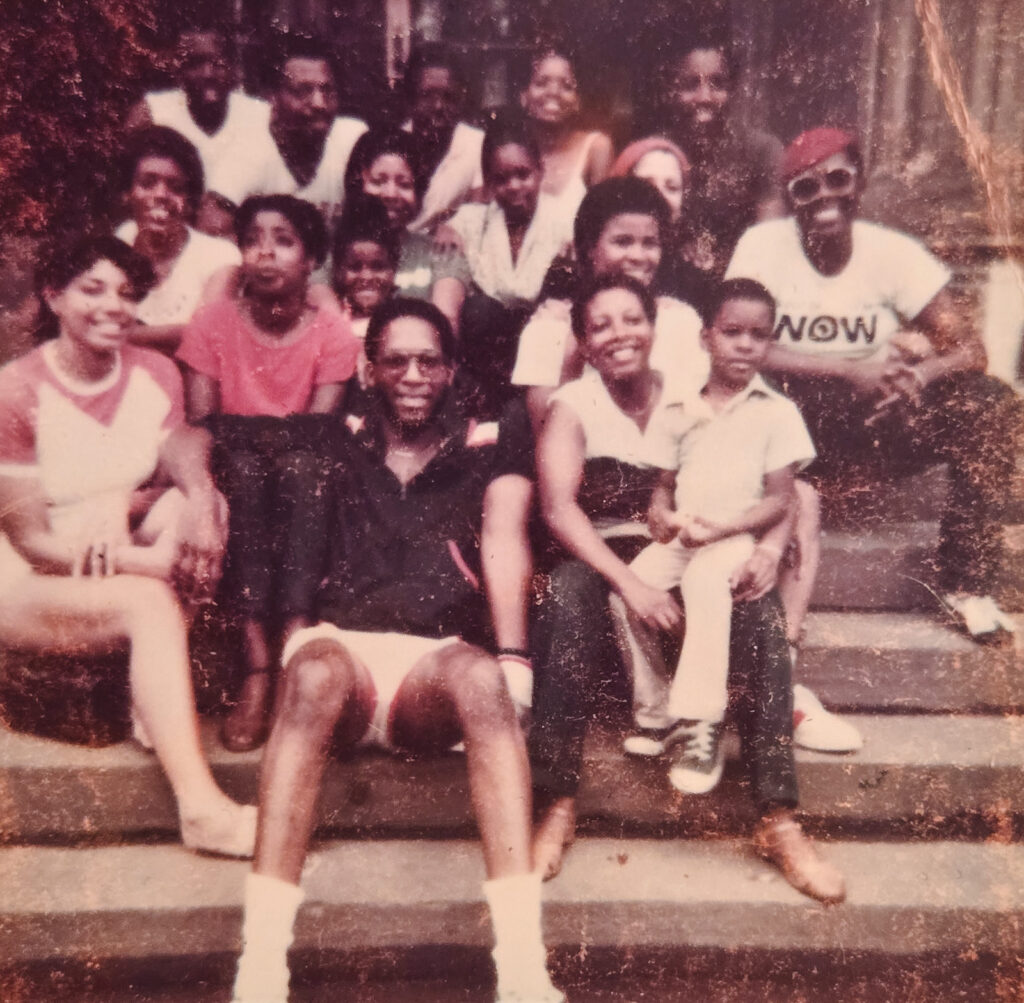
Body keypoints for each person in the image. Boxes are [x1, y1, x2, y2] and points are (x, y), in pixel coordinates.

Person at [231, 298, 563, 1003]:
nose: (413, 374)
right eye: (395, 359)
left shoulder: (490, 438)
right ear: (369, 367)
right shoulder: (331, 436)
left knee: (482, 683)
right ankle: (260, 969)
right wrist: (197, 489)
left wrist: (513, 659)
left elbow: (506, 534)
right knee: (314, 673)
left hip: (431, 662)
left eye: (429, 360)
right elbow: (212, 440)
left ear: (449, 370)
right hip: (341, 651)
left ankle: (524, 970)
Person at [529, 274, 845, 904]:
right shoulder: (574, 405)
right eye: (601, 326)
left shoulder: (699, 393)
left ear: (655, 327)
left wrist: (766, 549)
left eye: (632, 320)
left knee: (753, 607)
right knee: (564, 594)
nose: (620, 335)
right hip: (604, 560)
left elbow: (781, 488)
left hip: (693, 547)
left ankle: (778, 818)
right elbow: (560, 513)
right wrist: (630, 584)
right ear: (585, 344)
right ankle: (556, 805)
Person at [0, 233, 255, 857]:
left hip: (108, 542)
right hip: (27, 578)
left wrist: (196, 502)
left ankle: (152, 704)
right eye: (92, 289)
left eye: (125, 293)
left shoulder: (155, 371)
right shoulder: (14, 390)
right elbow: (31, 539)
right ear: (53, 296)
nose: (113, 306)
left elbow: (184, 447)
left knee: (201, 508)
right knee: (149, 602)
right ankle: (200, 809)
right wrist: (153, 562)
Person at [726, 127, 1021, 642]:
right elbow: (743, 345)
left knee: (990, 401)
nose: (825, 198)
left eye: (838, 179)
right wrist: (848, 370)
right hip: (791, 414)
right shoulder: (763, 246)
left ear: (859, 182)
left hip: (875, 414)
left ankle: (967, 586)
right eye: (806, 188)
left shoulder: (892, 253)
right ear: (790, 199)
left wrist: (916, 376)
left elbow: (971, 348)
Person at [610, 278, 814, 795]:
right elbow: (663, 485)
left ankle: (701, 724)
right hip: (687, 534)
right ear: (706, 337)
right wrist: (659, 513)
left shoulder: (777, 411)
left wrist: (725, 528)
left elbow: (779, 498)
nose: (745, 345)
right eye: (732, 332)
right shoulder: (679, 407)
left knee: (705, 580)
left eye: (759, 335)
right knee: (629, 587)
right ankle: (654, 711)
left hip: (733, 537)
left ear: (770, 342)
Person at [177, 195, 360, 751]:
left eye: (284, 240)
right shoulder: (211, 324)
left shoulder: (332, 332)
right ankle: (257, 668)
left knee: (301, 468)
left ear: (310, 260)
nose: (266, 252)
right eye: (254, 238)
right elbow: (204, 422)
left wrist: (254, 432)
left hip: (302, 469)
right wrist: (258, 437)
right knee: (249, 472)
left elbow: (318, 429)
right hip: (240, 469)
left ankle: (292, 655)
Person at [510, 176, 706, 428]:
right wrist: (575, 346)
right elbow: (545, 431)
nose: (638, 256)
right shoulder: (548, 329)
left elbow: (697, 421)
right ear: (590, 247)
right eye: (622, 242)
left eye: (650, 243)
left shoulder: (680, 321)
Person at [438, 112, 574, 410]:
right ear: (487, 182)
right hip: (487, 355)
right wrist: (445, 229)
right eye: (501, 179)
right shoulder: (473, 221)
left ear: (540, 170)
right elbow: (447, 241)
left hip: (539, 344)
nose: (514, 186)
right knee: (479, 310)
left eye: (523, 174)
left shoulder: (564, 224)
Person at [653, 31, 784, 281]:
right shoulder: (657, 151)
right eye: (691, 85)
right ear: (671, 89)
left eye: (717, 84)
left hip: (741, 281)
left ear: (732, 89)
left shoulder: (762, 150)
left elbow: (768, 240)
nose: (705, 97)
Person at [126, 22, 269, 235]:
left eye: (217, 63)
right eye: (194, 63)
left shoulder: (261, 116)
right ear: (178, 70)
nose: (208, 74)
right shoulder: (152, 114)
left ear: (233, 67)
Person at [216, 35, 367, 228]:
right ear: (272, 97)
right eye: (303, 91)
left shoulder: (352, 138)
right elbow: (212, 228)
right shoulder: (249, 149)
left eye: (328, 91)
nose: (319, 103)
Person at [115, 126, 240, 350]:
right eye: (147, 183)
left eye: (175, 187)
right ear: (127, 193)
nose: (161, 195)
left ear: (190, 200)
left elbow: (206, 333)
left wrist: (117, 336)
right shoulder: (122, 241)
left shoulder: (220, 256)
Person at [344, 128, 470, 333]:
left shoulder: (442, 250)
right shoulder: (335, 249)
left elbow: (445, 326)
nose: (391, 194)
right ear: (358, 183)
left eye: (404, 184)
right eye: (378, 182)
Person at [608, 135, 716, 314]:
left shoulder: (692, 276)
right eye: (647, 183)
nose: (659, 195)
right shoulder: (581, 257)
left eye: (672, 187)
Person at [520, 46, 614, 231]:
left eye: (567, 86)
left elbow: (604, 221)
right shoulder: (512, 148)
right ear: (523, 97)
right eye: (541, 83)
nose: (553, 92)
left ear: (577, 101)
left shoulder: (596, 147)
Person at [400, 45, 485, 233]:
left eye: (448, 96)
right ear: (410, 99)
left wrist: (453, 225)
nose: (438, 106)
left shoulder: (476, 145)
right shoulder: (393, 145)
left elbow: (480, 210)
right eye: (427, 96)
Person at [329, 195, 400, 388]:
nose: (366, 277)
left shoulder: (402, 317)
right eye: (355, 267)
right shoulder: (331, 319)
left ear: (393, 271)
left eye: (378, 267)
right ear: (338, 272)